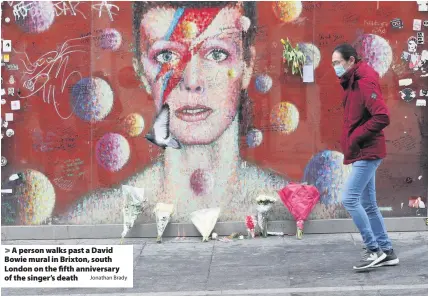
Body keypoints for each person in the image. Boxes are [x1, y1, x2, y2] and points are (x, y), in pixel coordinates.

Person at [60, 1, 288, 224]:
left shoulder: (286, 208)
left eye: (217, 54)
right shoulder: (99, 217)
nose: (192, 81)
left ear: (246, 66)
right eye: (167, 56)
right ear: (141, 72)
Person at [332, 43, 399, 270]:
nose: (335, 68)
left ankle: (373, 250)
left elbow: (382, 116)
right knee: (368, 204)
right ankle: (387, 252)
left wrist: (356, 138)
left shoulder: (363, 82)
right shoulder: (353, 81)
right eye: (332, 63)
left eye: (338, 62)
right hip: (364, 150)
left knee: (350, 199)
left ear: (351, 61)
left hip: (368, 151)